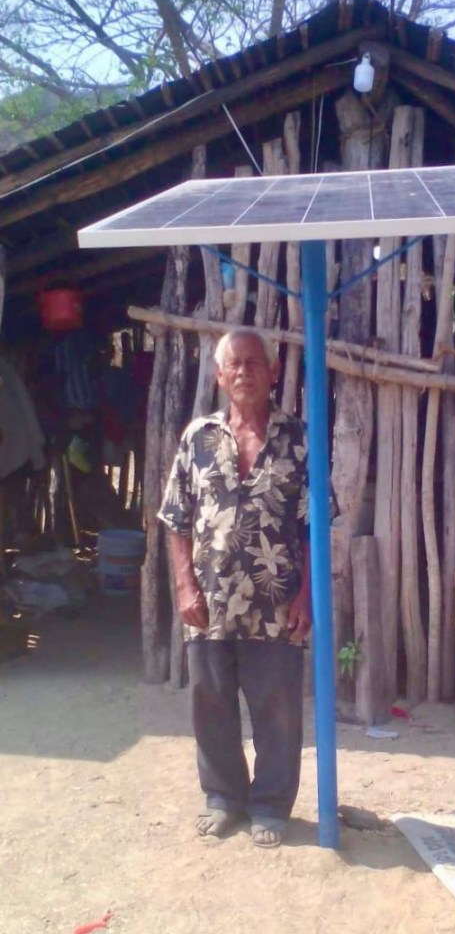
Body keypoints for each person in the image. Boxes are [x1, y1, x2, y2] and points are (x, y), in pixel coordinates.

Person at [158, 328, 311, 848]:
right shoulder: (197, 438)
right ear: (220, 377)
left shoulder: (300, 438)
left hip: (277, 601)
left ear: (272, 373)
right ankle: (223, 796)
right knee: (211, 700)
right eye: (234, 364)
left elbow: (314, 523)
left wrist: (307, 595)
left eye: (254, 362)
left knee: (278, 704)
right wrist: (183, 585)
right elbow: (176, 518)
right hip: (210, 601)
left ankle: (270, 803)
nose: (244, 371)